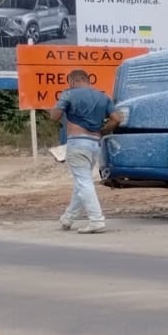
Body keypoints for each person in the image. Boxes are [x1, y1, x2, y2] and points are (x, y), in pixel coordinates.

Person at [48, 69, 123, 233]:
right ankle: (68, 218)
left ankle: (96, 220)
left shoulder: (69, 94)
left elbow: (55, 116)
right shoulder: (103, 97)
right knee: (81, 182)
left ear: (72, 81)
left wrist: (52, 108)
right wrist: (103, 130)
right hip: (95, 144)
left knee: (84, 183)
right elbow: (117, 119)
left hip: (77, 143)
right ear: (87, 80)